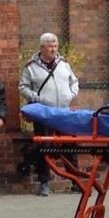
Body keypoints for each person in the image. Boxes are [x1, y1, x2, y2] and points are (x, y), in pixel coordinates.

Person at [19, 33, 79, 196]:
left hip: (63, 112)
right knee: (43, 148)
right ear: (42, 48)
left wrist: (71, 94)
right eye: (50, 46)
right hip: (44, 114)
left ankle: (76, 181)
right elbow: (23, 87)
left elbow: (74, 81)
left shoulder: (64, 64)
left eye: (55, 46)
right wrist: (37, 98)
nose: (53, 49)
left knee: (70, 146)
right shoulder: (30, 67)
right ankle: (44, 183)